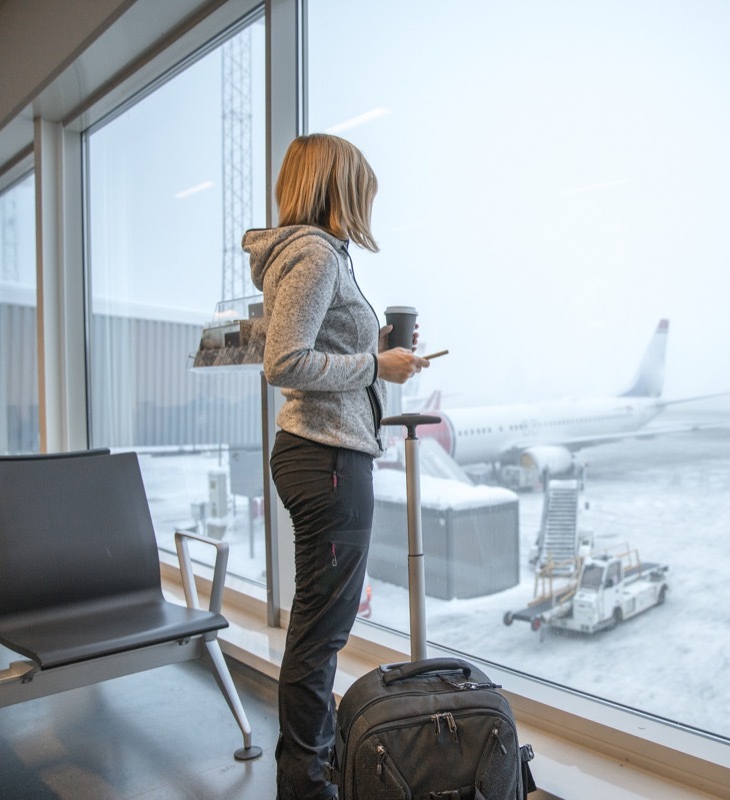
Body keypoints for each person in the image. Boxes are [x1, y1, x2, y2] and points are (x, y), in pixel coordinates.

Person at [243, 133, 429, 799]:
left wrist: (374, 349)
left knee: (317, 628)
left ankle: (305, 776)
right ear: (338, 190)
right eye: (361, 193)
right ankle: (305, 784)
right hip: (326, 458)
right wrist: (379, 364)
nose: (364, 208)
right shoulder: (317, 255)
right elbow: (284, 364)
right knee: (320, 637)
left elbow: (312, 347)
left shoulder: (313, 256)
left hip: (322, 454)